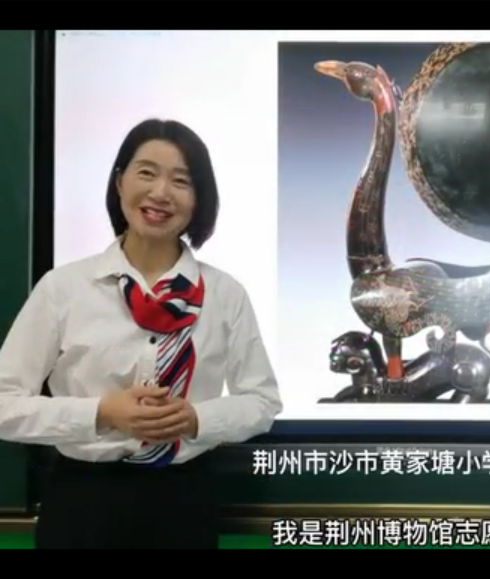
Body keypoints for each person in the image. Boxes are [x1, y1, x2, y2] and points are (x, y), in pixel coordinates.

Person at [0, 118, 283, 549]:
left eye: (181, 181)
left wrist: (197, 419)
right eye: (146, 173)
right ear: (119, 182)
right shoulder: (64, 289)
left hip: (183, 502)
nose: (161, 193)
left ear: (199, 199)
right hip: (82, 502)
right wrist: (101, 413)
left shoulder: (225, 294)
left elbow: (262, 401)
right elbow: (4, 404)